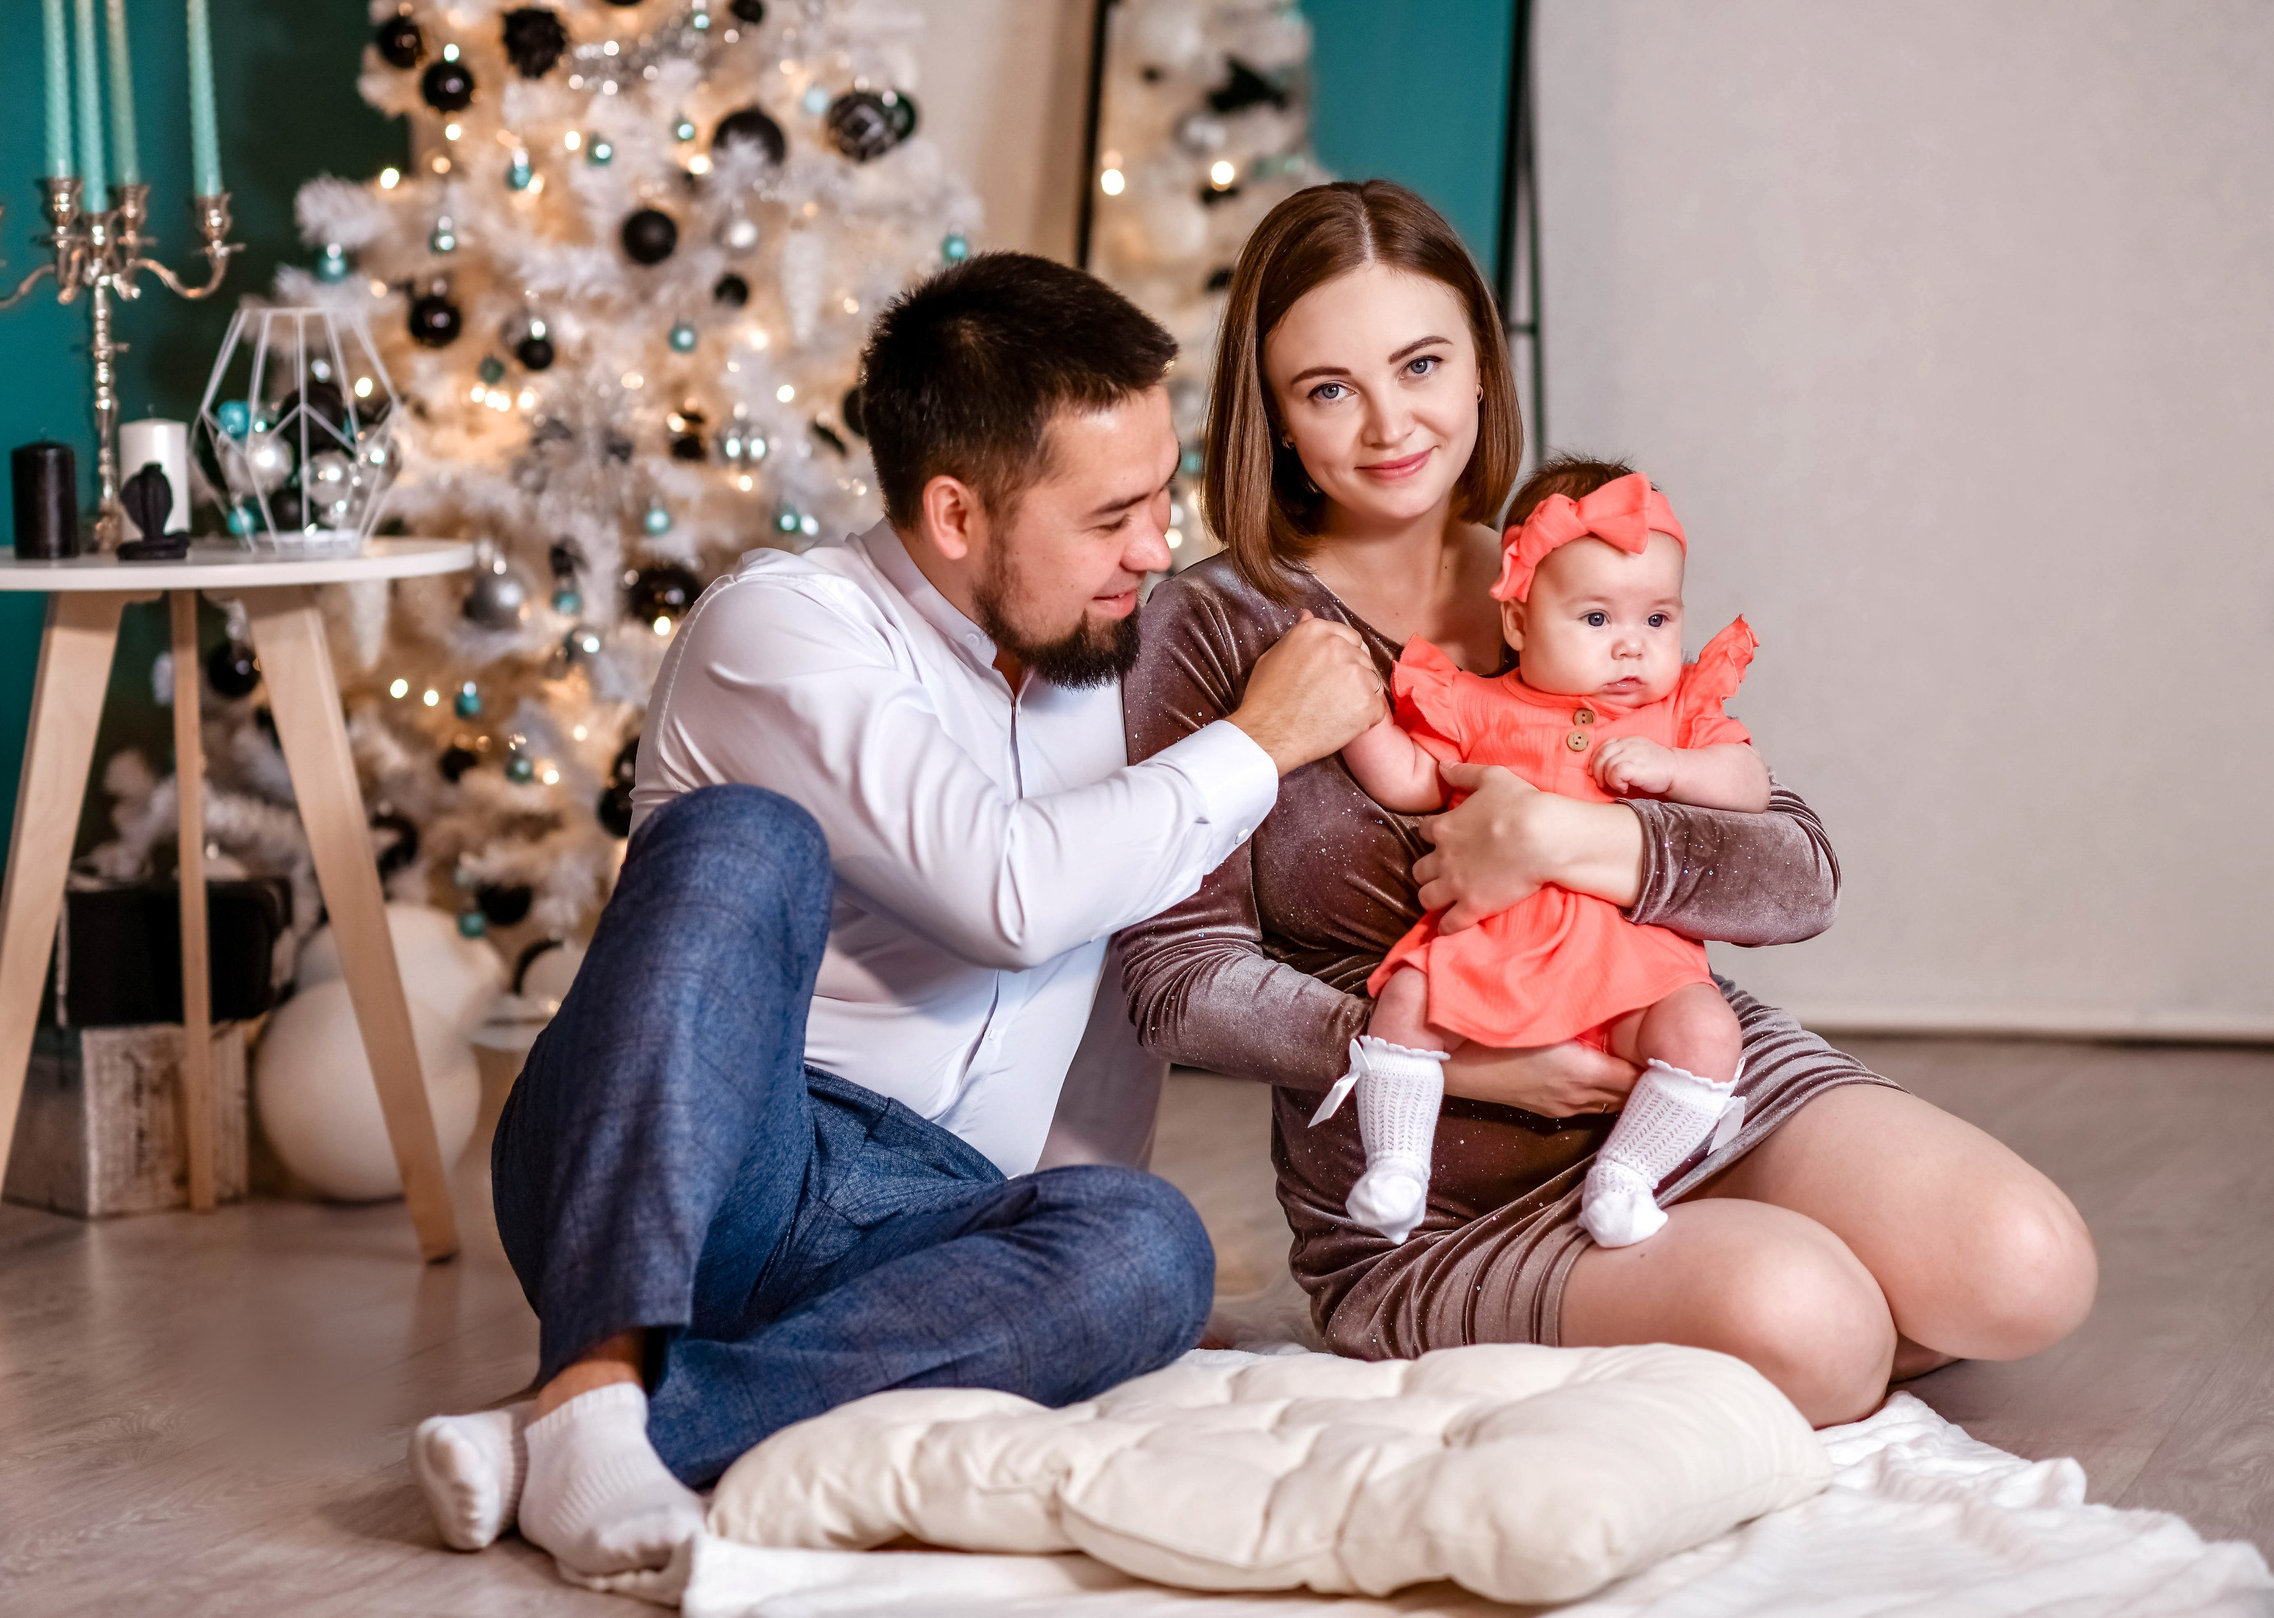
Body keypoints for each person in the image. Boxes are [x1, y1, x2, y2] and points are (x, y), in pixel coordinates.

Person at [407, 251, 1385, 1585]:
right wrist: (1258, 743)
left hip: (921, 1217)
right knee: (740, 840)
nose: (1157, 547)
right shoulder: (784, 628)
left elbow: (1112, 1000)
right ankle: (591, 1373)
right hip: (705, 1159)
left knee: (1151, 1247)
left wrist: (1071, 1278)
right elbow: (1012, 895)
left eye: (1165, 493)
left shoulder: (1114, 659)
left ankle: (597, 1433)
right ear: (956, 514)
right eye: (1112, 515)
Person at [1116, 180, 2096, 1429]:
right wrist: (1470, 1061)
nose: (1389, 424)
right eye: (1327, 389)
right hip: (1434, 1186)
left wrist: (1571, 837)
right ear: (1272, 414)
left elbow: (1797, 873)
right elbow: (1172, 976)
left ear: (1482, 366)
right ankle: (1731, 1288)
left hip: (1680, 1064)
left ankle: (1731, 1262)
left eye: (1421, 364)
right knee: (1821, 1333)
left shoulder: (1571, 565)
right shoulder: (1214, 624)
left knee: (2027, 1270)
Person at [1329, 463, 1765, 1252]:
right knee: (1408, 1000)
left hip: (1633, 964)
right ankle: (1397, 1164)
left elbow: (1749, 784)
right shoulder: (1480, 705)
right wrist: (1355, 717)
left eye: (1658, 618)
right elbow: (1413, 778)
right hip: (1498, 947)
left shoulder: (1677, 712)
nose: (1632, 644)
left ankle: (1626, 1177)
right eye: (1596, 617)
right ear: (1520, 623)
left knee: (1706, 1031)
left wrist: (1677, 769)